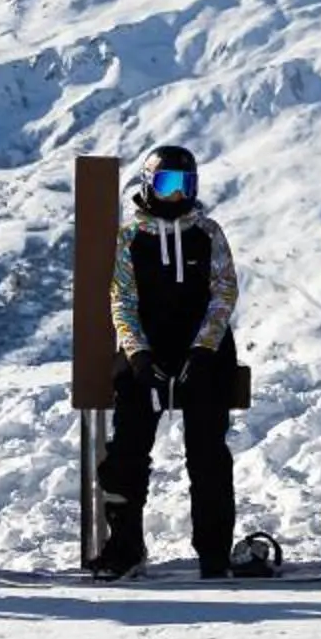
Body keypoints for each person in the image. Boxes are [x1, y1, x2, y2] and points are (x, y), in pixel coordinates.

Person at [91, 143, 244, 580]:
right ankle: (124, 547)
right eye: (167, 184)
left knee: (208, 453)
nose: (176, 195)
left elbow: (224, 291)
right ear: (148, 183)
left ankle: (214, 551)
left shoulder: (208, 232)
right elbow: (122, 300)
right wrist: (138, 356)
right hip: (147, 352)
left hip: (205, 354)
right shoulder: (130, 238)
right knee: (126, 452)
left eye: (185, 185)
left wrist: (203, 349)